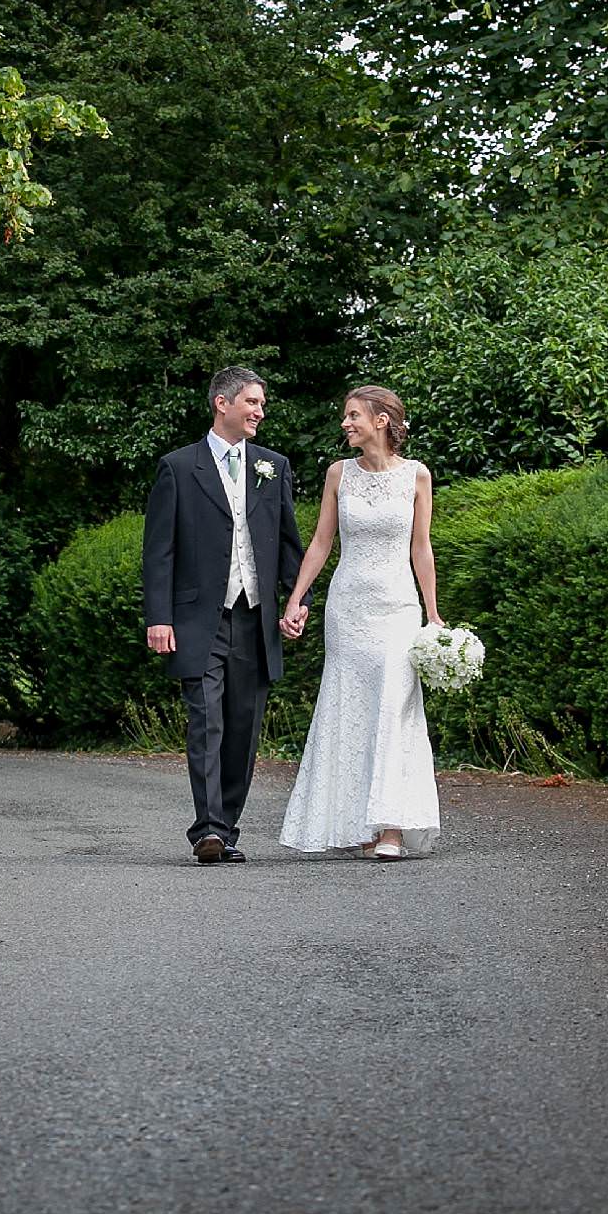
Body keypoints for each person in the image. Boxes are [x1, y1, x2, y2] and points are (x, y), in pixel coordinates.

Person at [141, 365, 305, 864]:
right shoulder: (177, 467)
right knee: (206, 721)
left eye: (261, 404)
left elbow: (288, 543)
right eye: (253, 402)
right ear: (223, 403)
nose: (260, 411)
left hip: (255, 618)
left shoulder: (273, 467)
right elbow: (159, 551)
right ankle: (208, 829)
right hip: (197, 620)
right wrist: (158, 617)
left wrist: (297, 602)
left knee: (243, 726)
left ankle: (227, 827)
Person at [276, 385, 443, 860]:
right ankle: (360, 822)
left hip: (397, 608)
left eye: (353, 416)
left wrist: (432, 613)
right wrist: (296, 598)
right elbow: (321, 542)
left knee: (395, 707)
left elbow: (421, 548)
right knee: (351, 708)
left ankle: (391, 826)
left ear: (382, 420)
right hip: (348, 607)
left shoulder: (417, 476)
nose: (346, 424)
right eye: (345, 416)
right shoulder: (337, 474)